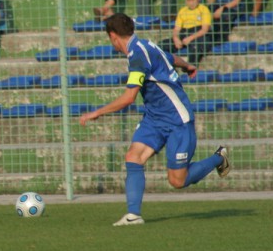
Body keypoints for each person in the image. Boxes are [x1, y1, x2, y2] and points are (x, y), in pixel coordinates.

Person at [79, 13, 230, 226]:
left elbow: (129, 97)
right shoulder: (145, 45)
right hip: (154, 118)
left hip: (177, 119)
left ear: (113, 36)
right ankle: (133, 215)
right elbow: (170, 57)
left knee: (177, 181)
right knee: (133, 157)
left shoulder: (138, 56)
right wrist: (187, 66)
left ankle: (219, 157)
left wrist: (97, 112)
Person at [159, 0, 212, 65]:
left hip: (197, 34)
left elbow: (204, 29)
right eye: (188, 0)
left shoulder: (204, 9)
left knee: (196, 46)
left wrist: (191, 38)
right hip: (185, 33)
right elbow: (177, 29)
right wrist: (176, 38)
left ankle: (191, 68)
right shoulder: (183, 11)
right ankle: (168, 68)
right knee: (163, 45)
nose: (191, 3)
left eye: (193, 0)